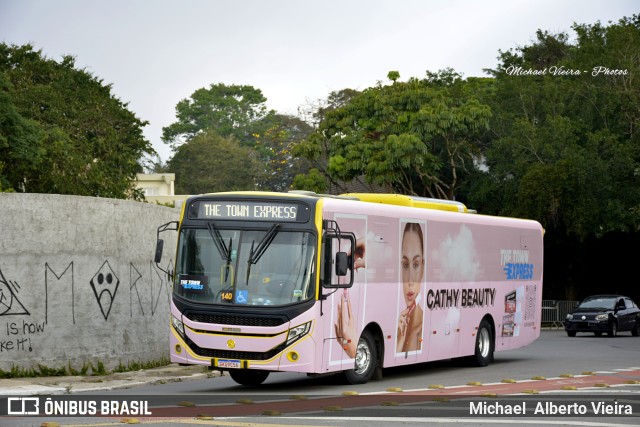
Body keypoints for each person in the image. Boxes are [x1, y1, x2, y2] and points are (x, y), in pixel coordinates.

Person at [397, 222, 425, 353]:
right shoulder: (399, 329)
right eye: (405, 265)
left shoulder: (424, 327)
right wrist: (398, 343)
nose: (410, 280)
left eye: (416, 264)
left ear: (423, 268)